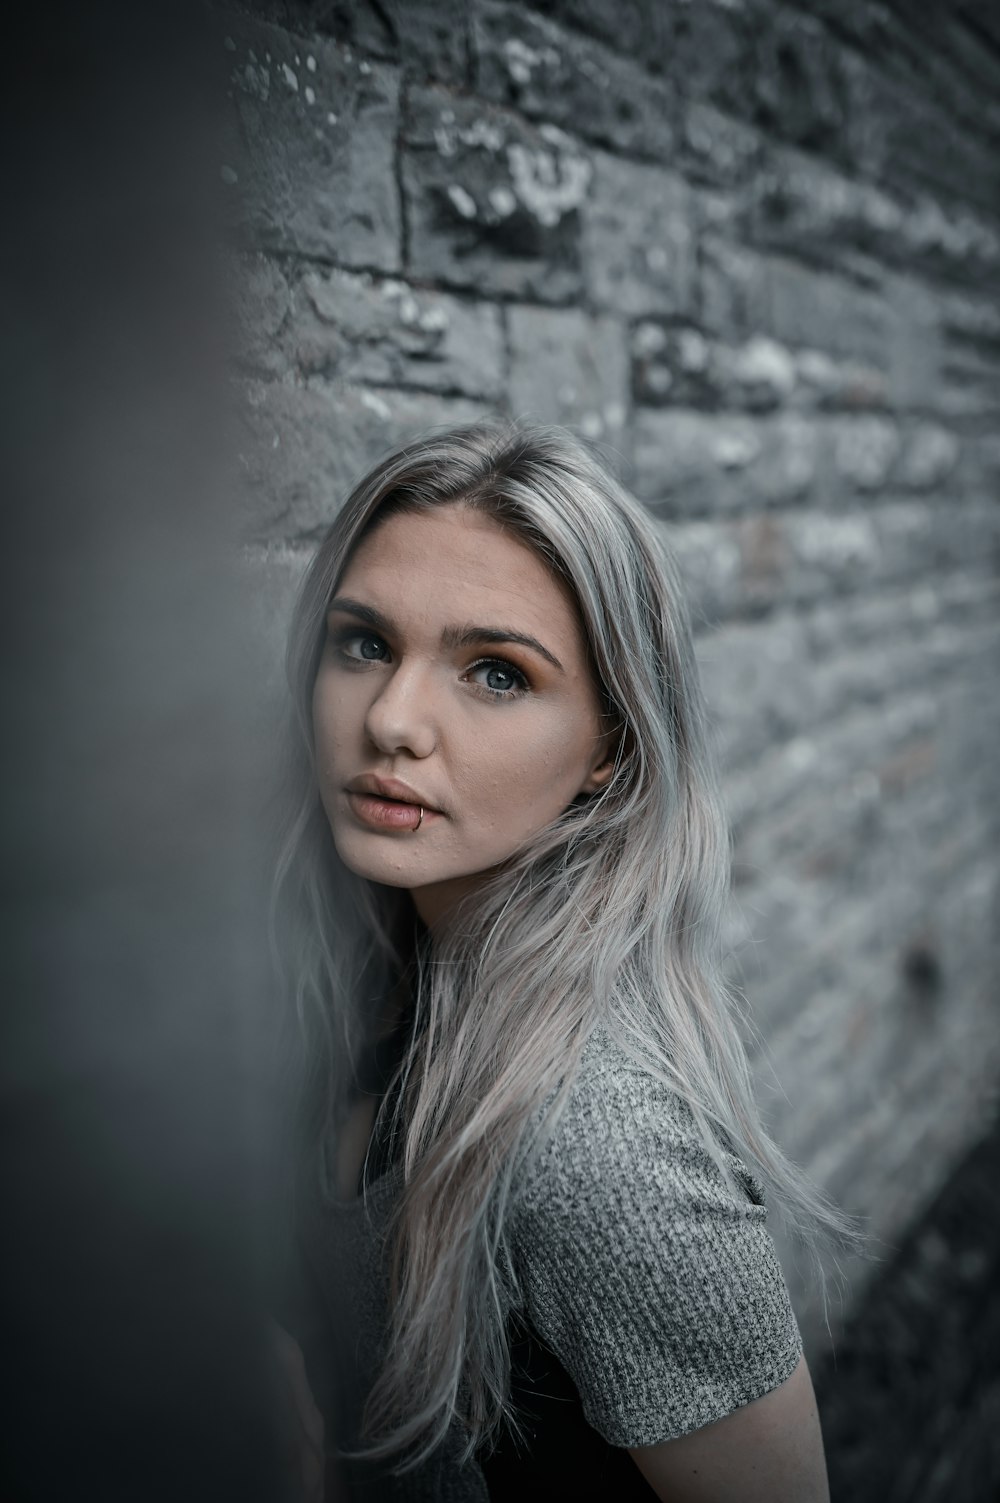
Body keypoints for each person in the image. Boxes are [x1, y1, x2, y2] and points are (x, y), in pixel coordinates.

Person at [267, 420, 867, 1501]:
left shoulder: (603, 1149)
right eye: (363, 644)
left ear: (608, 750)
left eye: (494, 673)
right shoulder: (371, 968)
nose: (391, 721)